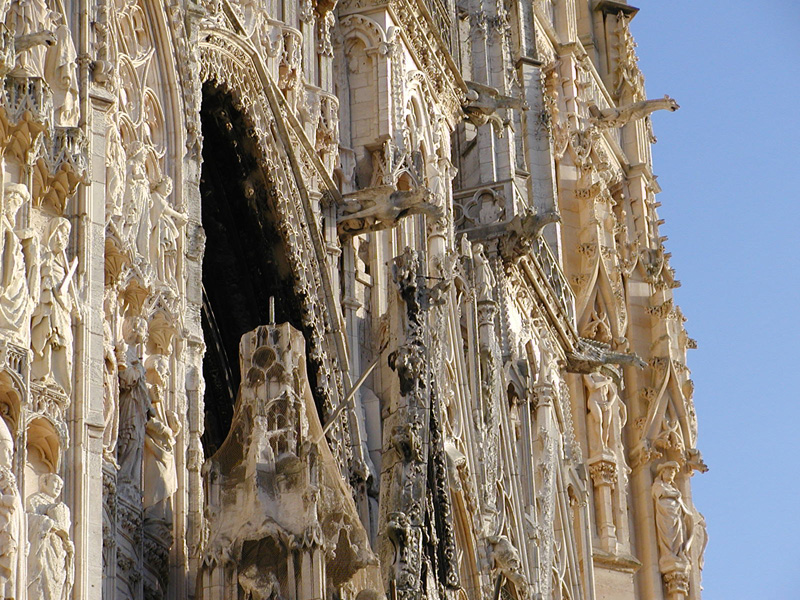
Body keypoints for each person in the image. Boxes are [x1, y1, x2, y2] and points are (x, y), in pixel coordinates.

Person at [30, 217, 79, 395]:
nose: (63, 238)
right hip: (47, 310)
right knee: (48, 338)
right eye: (61, 232)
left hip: (61, 312)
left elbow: (64, 296)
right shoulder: (45, 256)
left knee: (64, 344)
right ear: (52, 232)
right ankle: (43, 376)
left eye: (67, 234)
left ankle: (57, 382)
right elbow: (53, 289)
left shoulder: (62, 264)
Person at [27, 473, 74, 600]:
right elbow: (27, 521)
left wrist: (68, 544)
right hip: (43, 547)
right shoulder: (35, 500)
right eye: (55, 482)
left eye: (61, 485)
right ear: (44, 483)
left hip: (58, 551)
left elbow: (65, 531)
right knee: (42, 585)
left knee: (56, 587)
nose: (58, 487)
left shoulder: (61, 507)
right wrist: (49, 523)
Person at [652, 461, 694, 573]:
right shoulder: (659, 485)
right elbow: (659, 493)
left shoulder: (674, 487)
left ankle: (678, 552)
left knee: (679, 534)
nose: (672, 473)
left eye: (673, 471)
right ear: (663, 472)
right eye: (669, 470)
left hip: (676, 513)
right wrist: (674, 495)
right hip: (665, 513)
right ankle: (668, 554)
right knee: (668, 533)